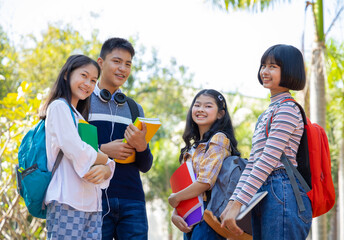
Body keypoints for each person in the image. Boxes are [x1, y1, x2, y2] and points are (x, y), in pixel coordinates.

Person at [221, 44, 312, 239]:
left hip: (283, 190)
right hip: (264, 191)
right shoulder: (267, 113)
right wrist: (233, 202)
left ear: (289, 70)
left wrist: (238, 204)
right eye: (263, 65)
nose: (265, 71)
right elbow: (253, 163)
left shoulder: (288, 109)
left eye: (273, 66)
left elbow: (268, 160)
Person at [41, 54, 115, 239]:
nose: (88, 84)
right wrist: (106, 160)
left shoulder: (80, 118)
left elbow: (93, 155)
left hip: (93, 205)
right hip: (66, 200)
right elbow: (77, 150)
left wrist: (107, 169)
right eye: (83, 75)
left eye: (93, 80)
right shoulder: (58, 107)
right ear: (66, 74)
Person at [88, 37, 153, 239]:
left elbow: (145, 164)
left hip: (132, 200)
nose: (122, 69)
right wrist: (104, 150)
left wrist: (142, 146)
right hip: (93, 198)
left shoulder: (135, 108)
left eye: (127, 64)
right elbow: (69, 149)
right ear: (100, 63)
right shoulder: (82, 102)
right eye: (116, 61)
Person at [168, 89, 239, 240]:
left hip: (208, 214)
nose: (200, 109)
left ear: (220, 114)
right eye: (197, 105)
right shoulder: (192, 148)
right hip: (189, 216)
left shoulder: (219, 139)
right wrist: (175, 213)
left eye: (208, 106)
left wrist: (175, 198)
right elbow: (186, 186)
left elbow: (205, 182)